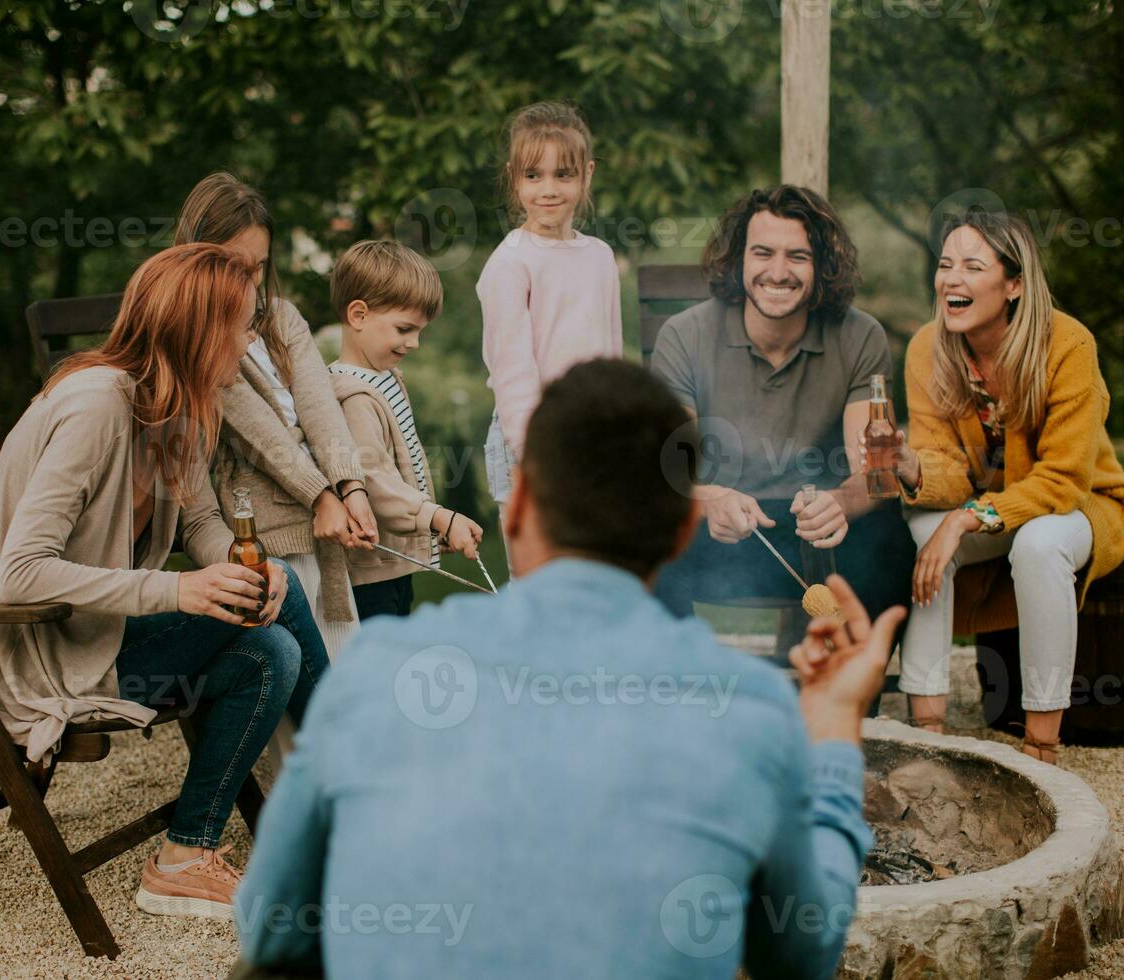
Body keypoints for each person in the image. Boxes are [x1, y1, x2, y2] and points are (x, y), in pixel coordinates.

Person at [233, 359, 903, 980]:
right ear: (678, 535)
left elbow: (269, 929)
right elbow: (805, 953)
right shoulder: (752, 707)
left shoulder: (377, 674)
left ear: (518, 505)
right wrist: (835, 733)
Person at [0, 243, 330, 918]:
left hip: (98, 637)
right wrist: (179, 591)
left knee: (270, 638)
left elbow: (202, 528)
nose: (250, 341)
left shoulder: (179, 408)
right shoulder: (96, 405)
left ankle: (185, 857)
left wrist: (245, 572)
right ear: (195, 330)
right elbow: (21, 572)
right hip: (39, 655)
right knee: (282, 615)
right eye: (241, 325)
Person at [893, 209, 1124, 764]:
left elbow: (1061, 481)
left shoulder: (1068, 345)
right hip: (992, 504)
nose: (951, 279)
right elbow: (947, 469)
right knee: (924, 536)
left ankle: (1041, 745)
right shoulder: (926, 349)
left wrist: (964, 519)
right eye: (944, 265)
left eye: (972, 266)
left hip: (1081, 502)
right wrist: (910, 465)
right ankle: (926, 732)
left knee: (1038, 545)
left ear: (1013, 285)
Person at [650, 185, 915, 647]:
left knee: (889, 540)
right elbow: (673, 468)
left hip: (817, 528)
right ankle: (676, 693)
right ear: (739, 260)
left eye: (798, 256)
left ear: (821, 267)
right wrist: (709, 498)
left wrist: (843, 503)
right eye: (762, 253)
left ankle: (852, 700)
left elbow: (876, 472)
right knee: (651, 534)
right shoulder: (685, 335)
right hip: (721, 531)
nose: (778, 272)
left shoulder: (860, 336)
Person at [177, 171, 380, 658]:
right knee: (298, 676)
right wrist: (321, 497)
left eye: (258, 268)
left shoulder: (281, 318)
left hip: (321, 516)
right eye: (234, 268)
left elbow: (320, 409)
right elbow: (260, 433)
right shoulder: (199, 334)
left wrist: (349, 487)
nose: (249, 283)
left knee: (340, 668)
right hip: (265, 529)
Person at [478, 101, 623, 551]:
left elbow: (611, 356)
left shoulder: (599, 256)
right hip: (530, 441)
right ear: (513, 176)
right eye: (533, 175)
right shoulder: (511, 263)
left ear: (588, 174)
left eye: (564, 174)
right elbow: (513, 375)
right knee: (541, 577)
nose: (549, 189)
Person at [327, 241, 486, 619]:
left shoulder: (384, 379)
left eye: (420, 331)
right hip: (372, 576)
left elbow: (402, 472)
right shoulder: (353, 397)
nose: (414, 342)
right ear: (359, 315)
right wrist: (439, 518)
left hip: (395, 565)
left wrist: (429, 528)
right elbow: (375, 484)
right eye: (404, 329)